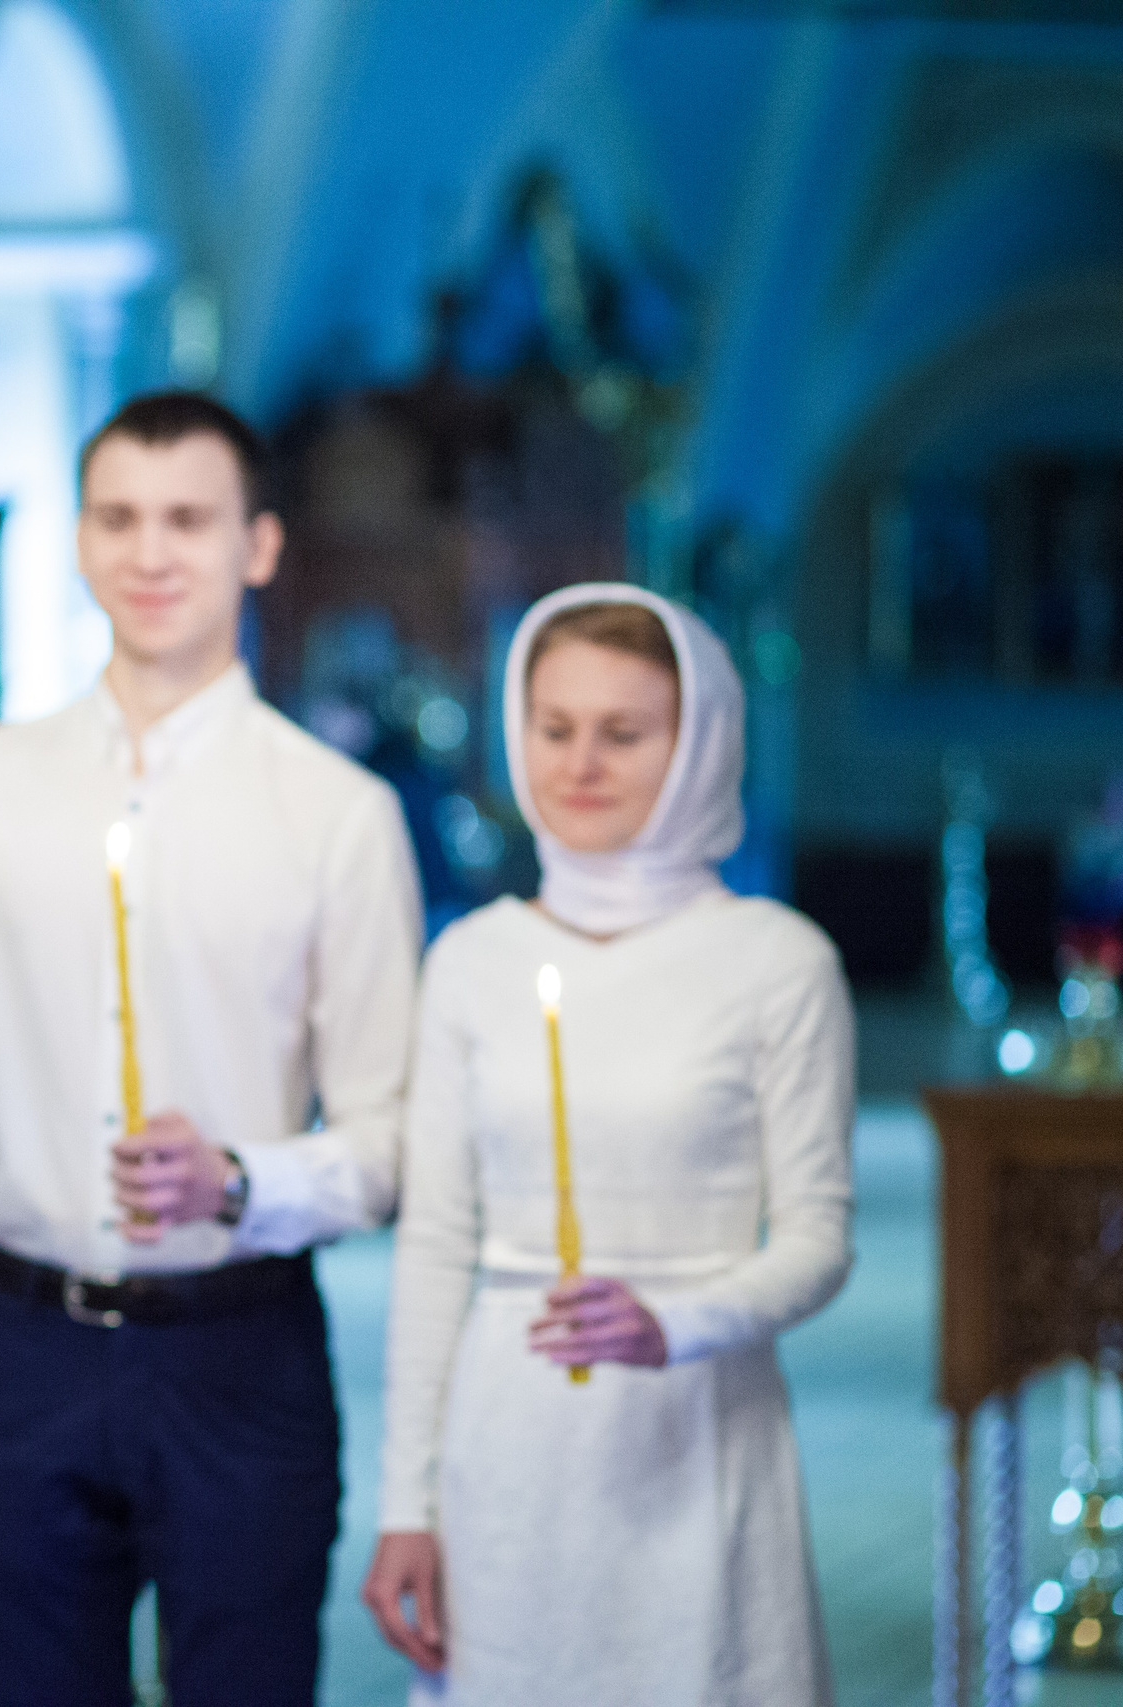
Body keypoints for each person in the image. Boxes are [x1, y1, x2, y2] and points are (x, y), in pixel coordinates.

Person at [0, 391, 423, 1706]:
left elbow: (396, 1140)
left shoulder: (337, 814)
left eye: (189, 518)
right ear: (81, 541)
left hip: (240, 1351)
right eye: (118, 517)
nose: (151, 551)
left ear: (260, 545)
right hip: (18, 1345)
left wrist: (241, 1179)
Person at [361, 584, 853, 1706]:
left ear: (698, 747)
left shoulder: (775, 961)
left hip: (695, 1430)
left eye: (623, 734)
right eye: (553, 728)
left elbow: (819, 1241)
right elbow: (436, 1247)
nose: (579, 763)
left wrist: (672, 1323)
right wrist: (406, 1506)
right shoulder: (472, 960)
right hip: (510, 1438)